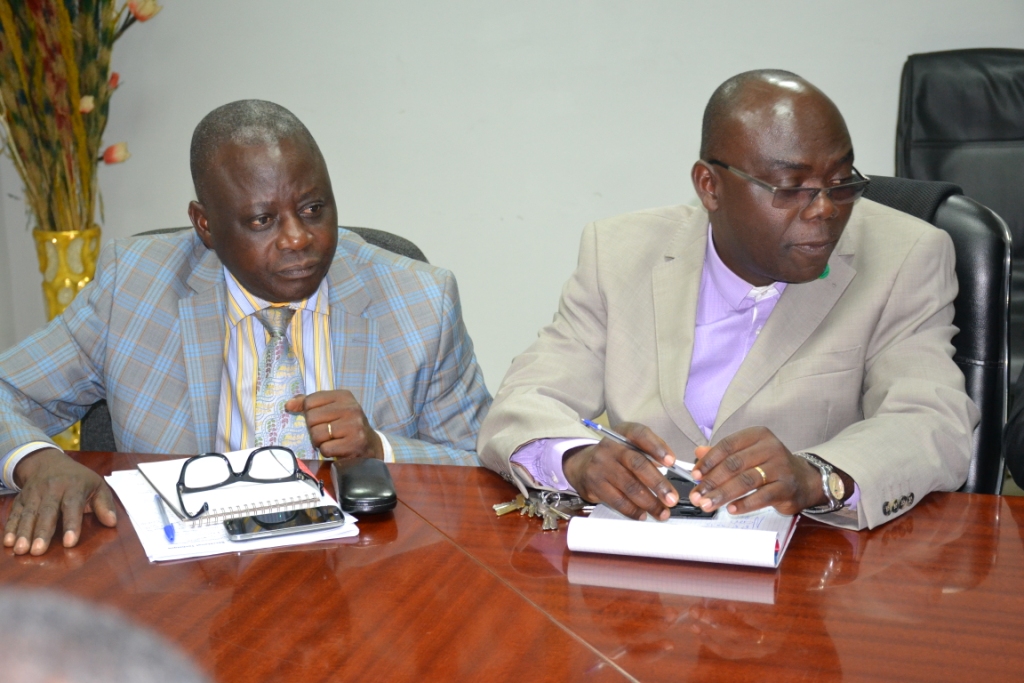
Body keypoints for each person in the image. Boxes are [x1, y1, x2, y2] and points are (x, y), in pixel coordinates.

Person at [478, 70, 978, 530]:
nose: (825, 209)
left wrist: (817, 477)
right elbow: (524, 401)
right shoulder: (619, 253)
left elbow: (931, 422)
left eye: (841, 182)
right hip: (640, 553)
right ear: (710, 187)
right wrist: (577, 459)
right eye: (791, 187)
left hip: (815, 561)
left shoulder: (904, 256)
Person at [0, 100, 490, 555]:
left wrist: (379, 448)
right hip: (186, 584)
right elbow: (8, 389)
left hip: (364, 571)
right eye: (262, 220)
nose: (297, 238)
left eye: (313, 209)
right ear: (205, 225)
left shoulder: (420, 300)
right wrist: (38, 461)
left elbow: (486, 465)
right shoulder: (132, 287)